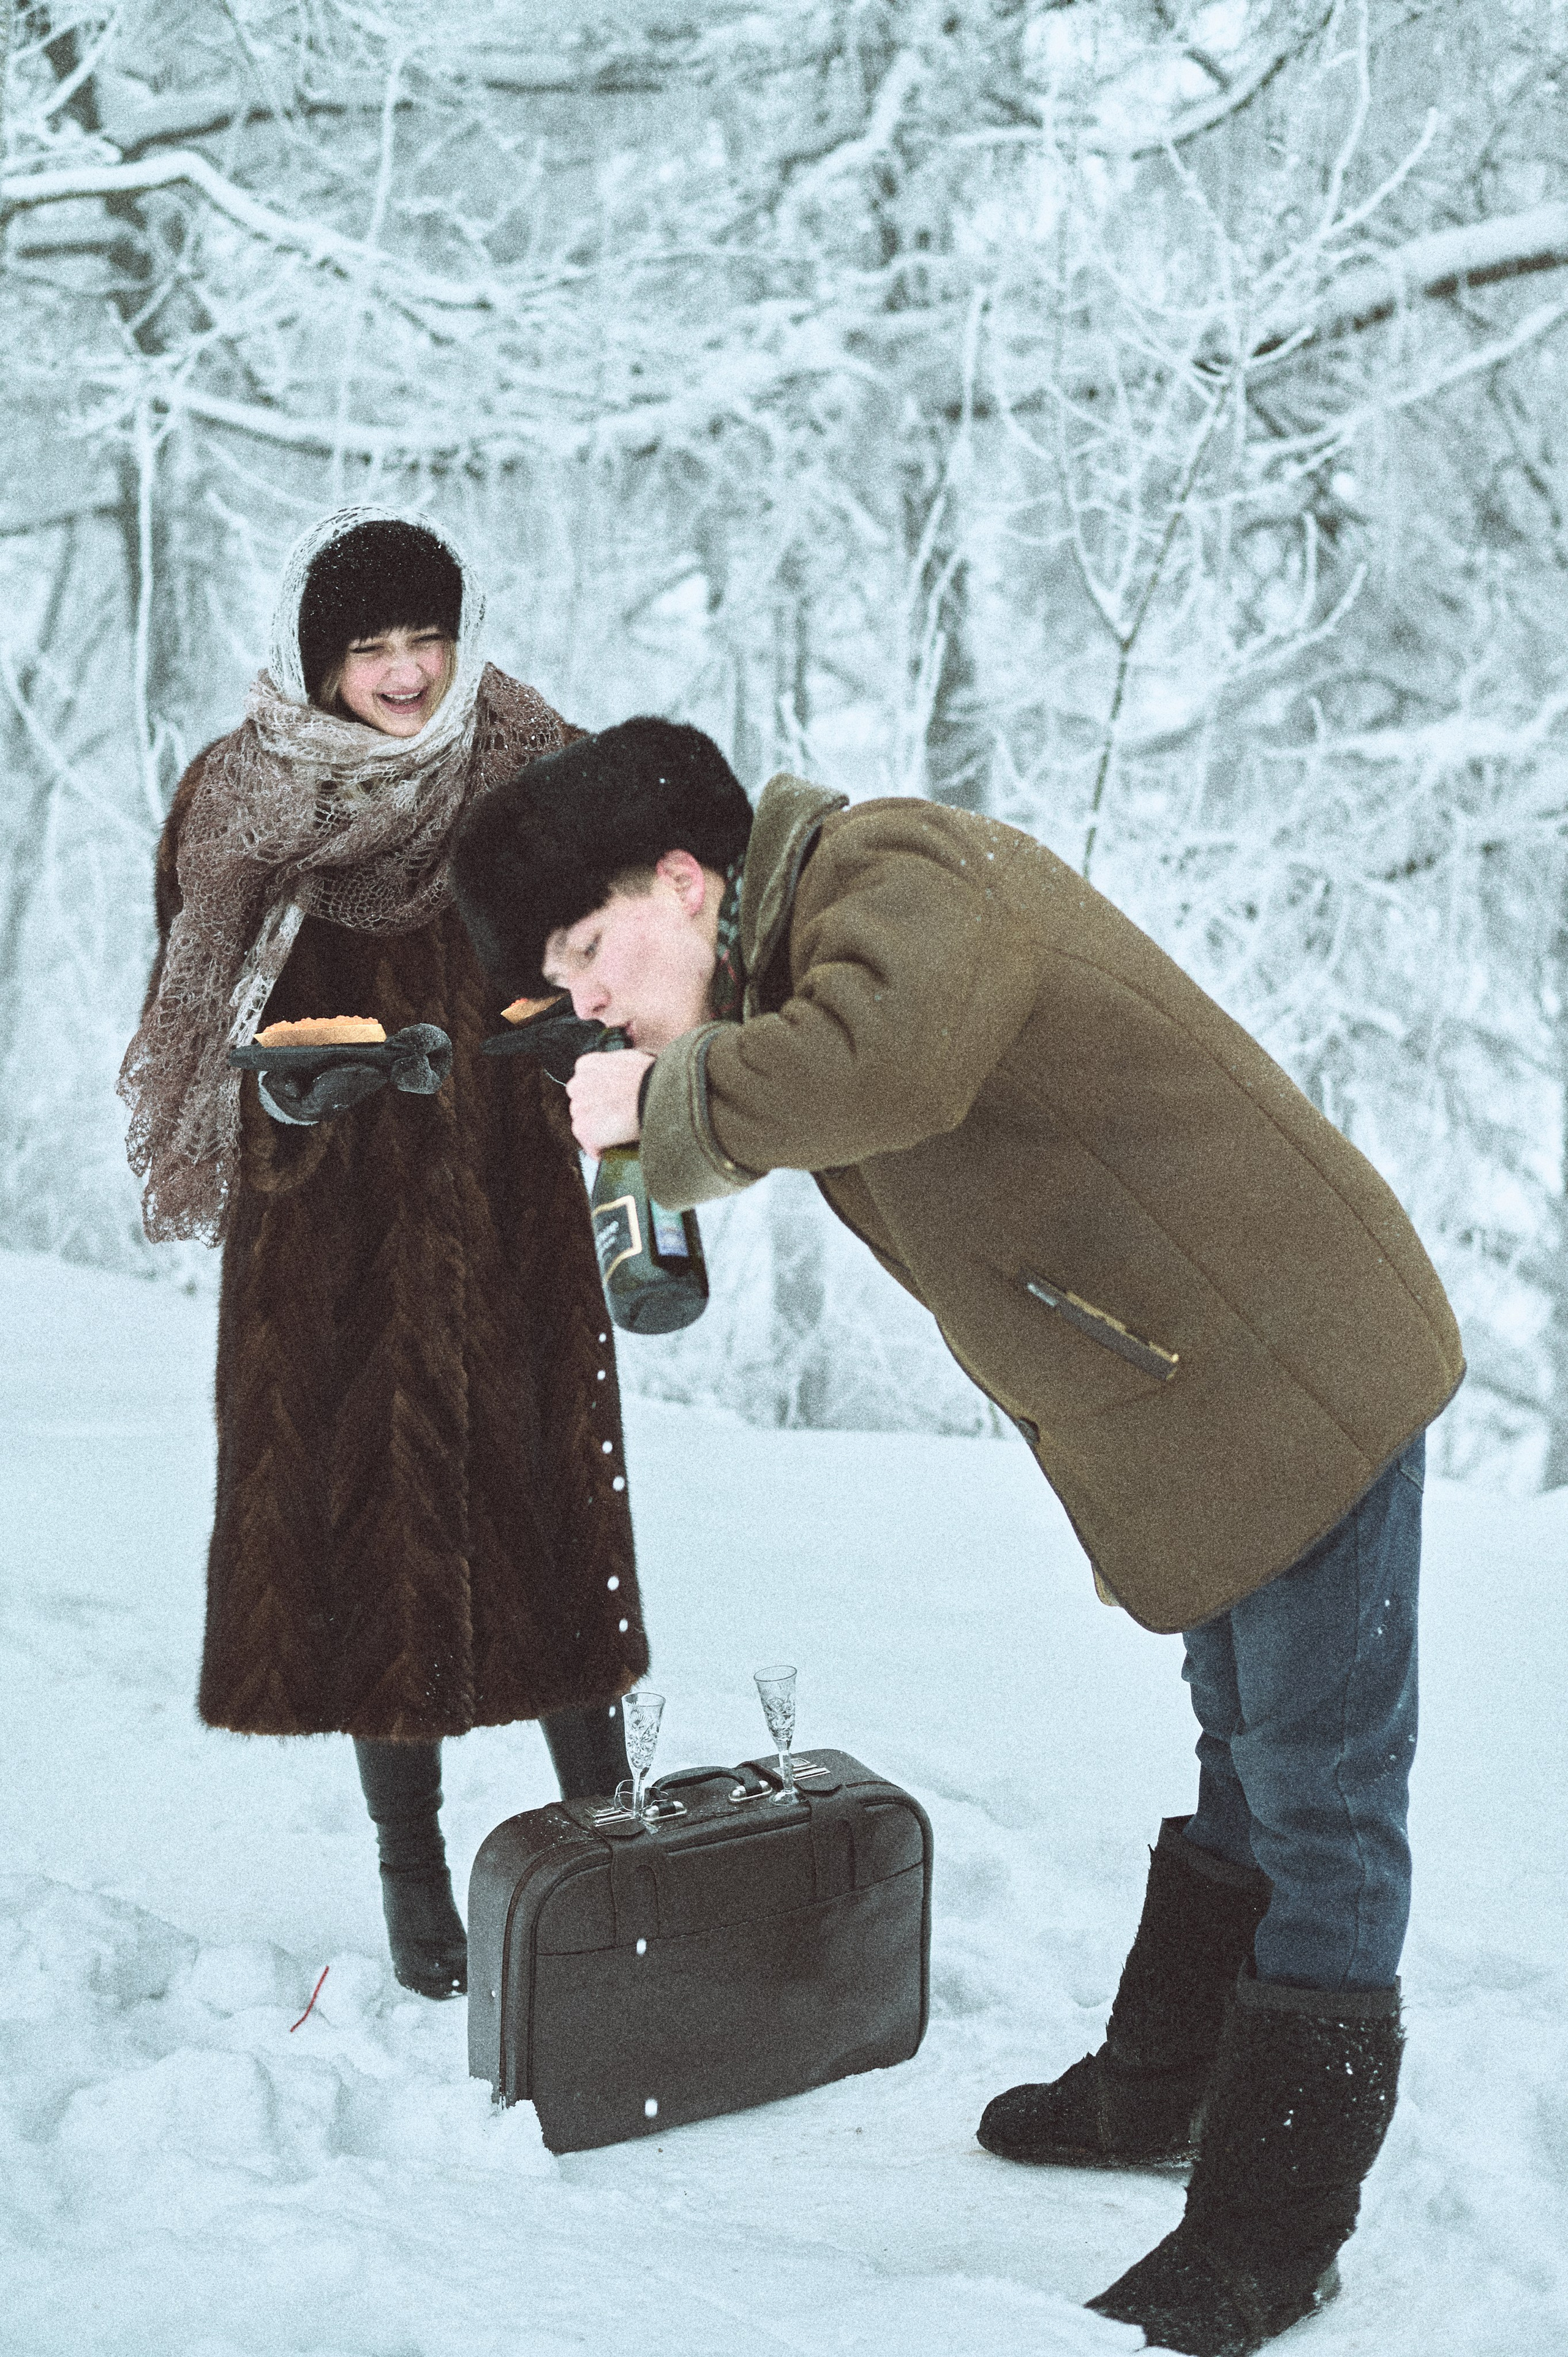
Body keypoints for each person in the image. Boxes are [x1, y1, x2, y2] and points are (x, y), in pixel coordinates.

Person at [447, 715, 1463, 2357]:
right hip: (1198, 1407)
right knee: (1248, 1745)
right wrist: (647, 1110)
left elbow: (891, 1064)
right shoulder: (794, 961)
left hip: (1299, 1375)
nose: (588, 1001)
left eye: (587, 954)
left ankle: (1275, 2232)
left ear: (690, 881)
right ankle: (1165, 2089)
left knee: (1327, 1799)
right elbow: (828, 1087)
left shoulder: (898, 871)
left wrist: (672, 1090)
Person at [118, 510, 648, 2001]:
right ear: (319, 659)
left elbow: (627, 951)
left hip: (506, 1204)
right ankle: (412, 1879)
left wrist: (574, 1030)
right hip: (328, 1217)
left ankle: (600, 1841)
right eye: (370, 647)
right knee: (372, 1540)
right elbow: (196, 1010)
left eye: (425, 637)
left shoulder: (535, 774)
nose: (406, 673)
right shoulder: (240, 799)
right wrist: (282, 1077)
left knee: (548, 1507)